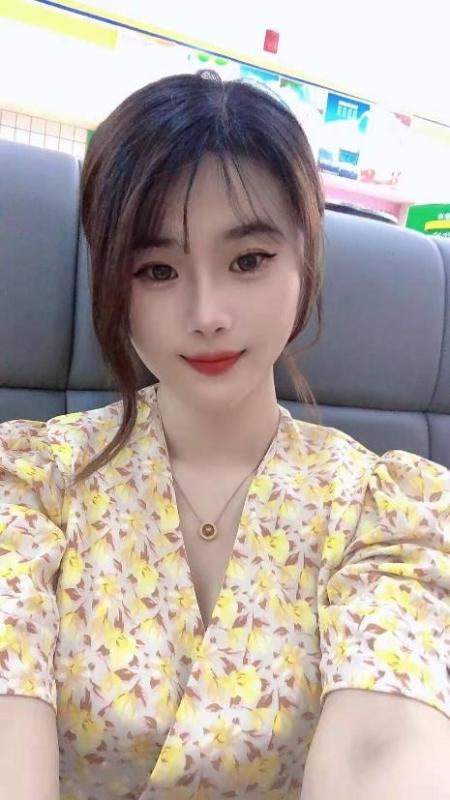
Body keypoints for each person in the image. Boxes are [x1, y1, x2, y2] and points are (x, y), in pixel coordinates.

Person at [0, 71, 449, 800]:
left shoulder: (385, 511)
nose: (206, 312)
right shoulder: (33, 484)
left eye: (248, 261)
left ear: (306, 258)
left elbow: (387, 742)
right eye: (157, 270)